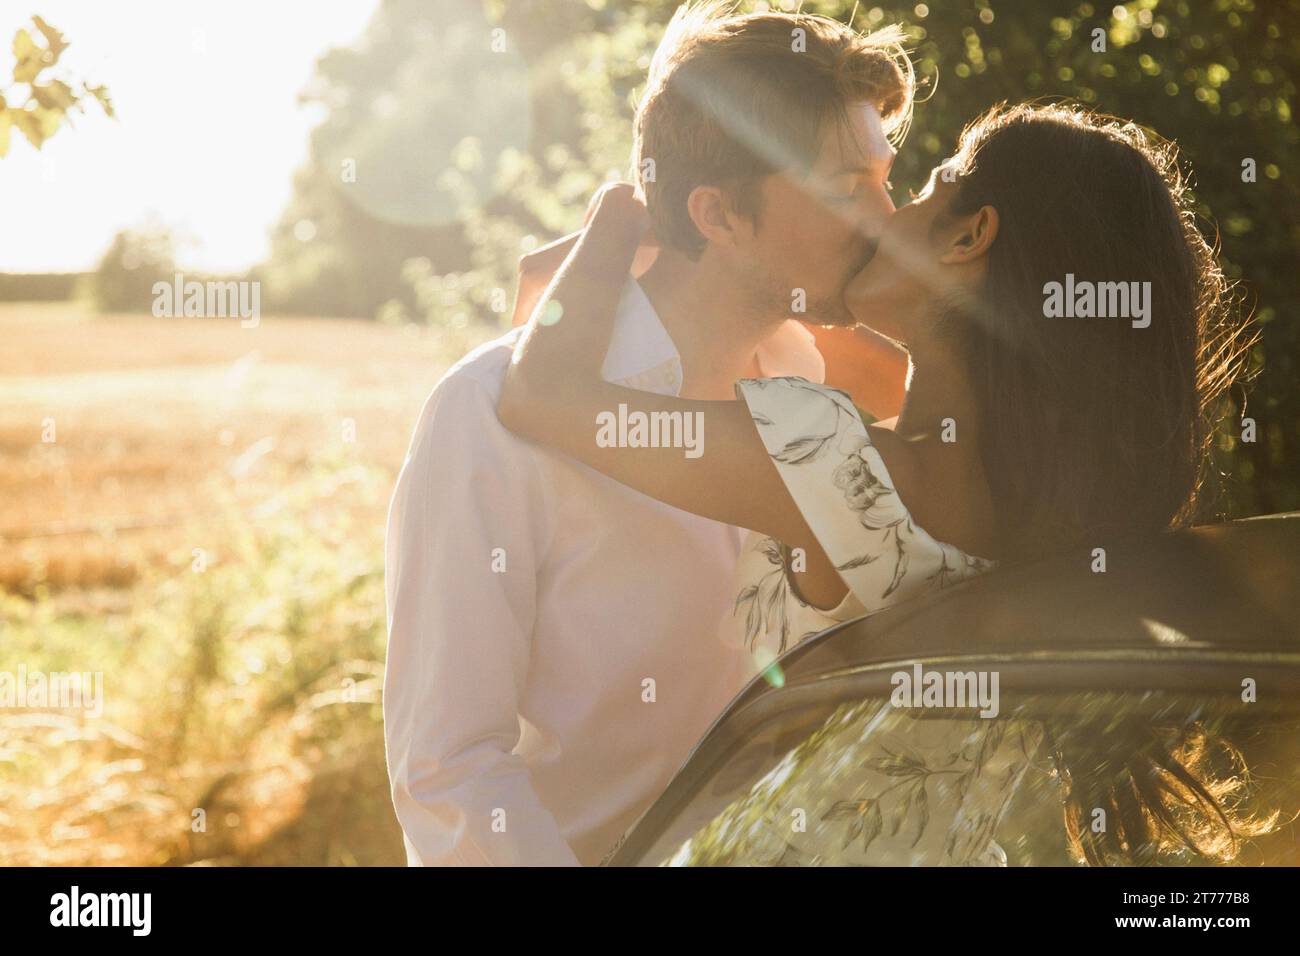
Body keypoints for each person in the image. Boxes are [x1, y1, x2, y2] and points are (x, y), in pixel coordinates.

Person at [497, 102, 1267, 864]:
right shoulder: (1035, 508)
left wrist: (618, 217)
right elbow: (885, 348)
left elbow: (542, 396)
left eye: (929, 189)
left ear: (969, 236)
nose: (886, 214)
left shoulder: (837, 460)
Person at [382, 3, 914, 865]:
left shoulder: (815, 401)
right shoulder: (482, 416)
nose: (887, 219)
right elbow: (449, 770)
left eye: (887, 181)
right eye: (850, 189)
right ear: (720, 216)